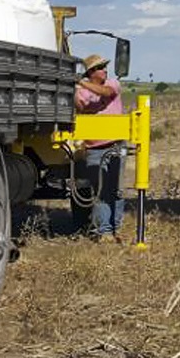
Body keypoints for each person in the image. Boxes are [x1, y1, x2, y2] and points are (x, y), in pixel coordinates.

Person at [71, 54, 126, 241]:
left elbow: (107, 93)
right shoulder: (81, 92)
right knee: (102, 191)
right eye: (101, 67)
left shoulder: (113, 84)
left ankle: (116, 226)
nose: (105, 70)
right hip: (95, 148)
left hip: (117, 144)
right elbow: (79, 106)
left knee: (117, 190)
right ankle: (105, 231)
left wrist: (81, 83)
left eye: (104, 66)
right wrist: (71, 89)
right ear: (92, 72)